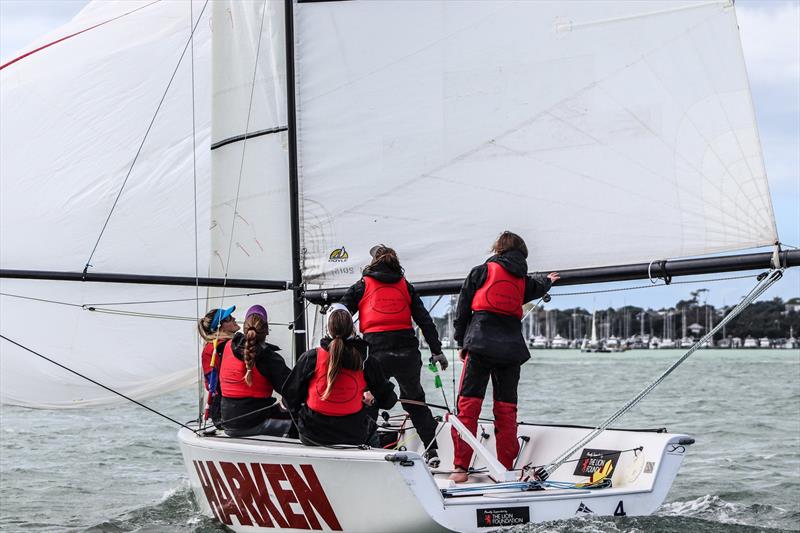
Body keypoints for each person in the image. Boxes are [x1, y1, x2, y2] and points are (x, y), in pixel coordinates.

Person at [449, 231, 560, 482]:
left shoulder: (481, 271)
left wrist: (460, 343)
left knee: (468, 408)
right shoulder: (523, 279)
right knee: (506, 410)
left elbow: (462, 309)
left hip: (479, 346)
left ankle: (460, 469)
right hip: (511, 351)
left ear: (497, 250)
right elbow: (539, 285)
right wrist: (549, 281)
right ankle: (505, 470)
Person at [338, 245, 447, 466]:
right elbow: (425, 321)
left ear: (373, 262)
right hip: (407, 353)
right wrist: (437, 351)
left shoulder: (362, 285)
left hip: (376, 354)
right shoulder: (405, 286)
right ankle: (432, 450)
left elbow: (339, 312)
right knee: (415, 401)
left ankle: (367, 450)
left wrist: (336, 345)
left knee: (370, 400)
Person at [282, 304, 398, 446]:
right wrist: (373, 401)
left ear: (327, 329)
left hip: (312, 435)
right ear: (352, 329)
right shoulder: (366, 360)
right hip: (353, 437)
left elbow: (288, 400)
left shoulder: (311, 358)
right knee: (372, 429)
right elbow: (389, 401)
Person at [219, 304, 294, 438]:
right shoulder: (269, 358)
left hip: (228, 423)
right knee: (306, 422)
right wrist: (285, 407)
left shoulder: (227, 346)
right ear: (266, 331)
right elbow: (293, 391)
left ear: (245, 328)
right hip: (255, 424)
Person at [197, 306, 240, 427]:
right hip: (224, 410)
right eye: (229, 318)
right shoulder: (215, 348)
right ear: (220, 326)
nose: (234, 318)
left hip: (229, 407)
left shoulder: (225, 344)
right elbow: (213, 385)